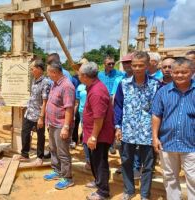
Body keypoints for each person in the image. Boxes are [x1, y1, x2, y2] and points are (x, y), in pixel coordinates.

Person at [114, 51, 161, 200]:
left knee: (148, 166)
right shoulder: (124, 84)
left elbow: (159, 109)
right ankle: (129, 190)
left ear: (147, 65)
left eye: (141, 65)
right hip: (128, 130)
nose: (137, 68)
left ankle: (145, 194)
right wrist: (117, 126)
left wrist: (157, 133)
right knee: (126, 161)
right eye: (134, 65)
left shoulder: (155, 84)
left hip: (148, 132)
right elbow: (118, 106)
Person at [152, 58, 195, 200]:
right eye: (176, 72)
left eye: (184, 72)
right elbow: (156, 115)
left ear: (192, 72)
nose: (180, 75)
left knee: (193, 179)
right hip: (167, 142)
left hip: (191, 144)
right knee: (169, 177)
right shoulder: (163, 91)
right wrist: (155, 137)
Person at [78, 62, 114, 200]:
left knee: (100, 162)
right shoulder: (92, 87)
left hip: (99, 135)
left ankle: (103, 192)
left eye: (80, 74)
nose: (78, 76)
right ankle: (99, 182)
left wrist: (93, 137)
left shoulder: (97, 91)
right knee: (95, 160)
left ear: (86, 76)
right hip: (93, 133)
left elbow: (99, 118)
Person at [43, 62, 75, 190]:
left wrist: (66, 127)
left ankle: (67, 178)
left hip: (61, 125)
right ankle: (57, 170)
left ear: (54, 72)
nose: (48, 75)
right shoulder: (55, 84)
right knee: (53, 149)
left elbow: (69, 108)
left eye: (49, 73)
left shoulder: (67, 86)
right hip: (53, 123)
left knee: (63, 152)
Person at [15, 59, 50, 165]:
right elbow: (33, 97)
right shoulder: (34, 80)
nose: (31, 71)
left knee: (40, 135)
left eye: (32, 68)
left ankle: (40, 156)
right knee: (25, 132)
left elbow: (45, 102)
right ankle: (24, 154)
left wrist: (41, 117)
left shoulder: (46, 82)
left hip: (39, 114)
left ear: (39, 69)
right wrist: (26, 105)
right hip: (29, 112)